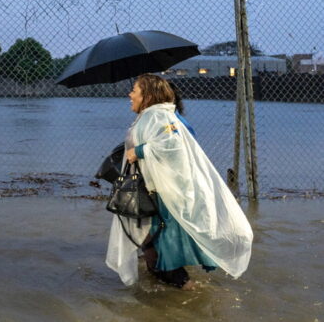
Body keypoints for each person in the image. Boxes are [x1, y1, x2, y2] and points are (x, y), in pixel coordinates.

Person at [105, 74, 253, 289]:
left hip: (165, 193)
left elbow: (173, 147)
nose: (130, 94)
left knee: (161, 241)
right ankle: (171, 292)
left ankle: (184, 290)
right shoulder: (154, 116)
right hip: (156, 189)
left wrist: (138, 151)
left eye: (134, 90)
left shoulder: (160, 117)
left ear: (147, 95)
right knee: (154, 240)